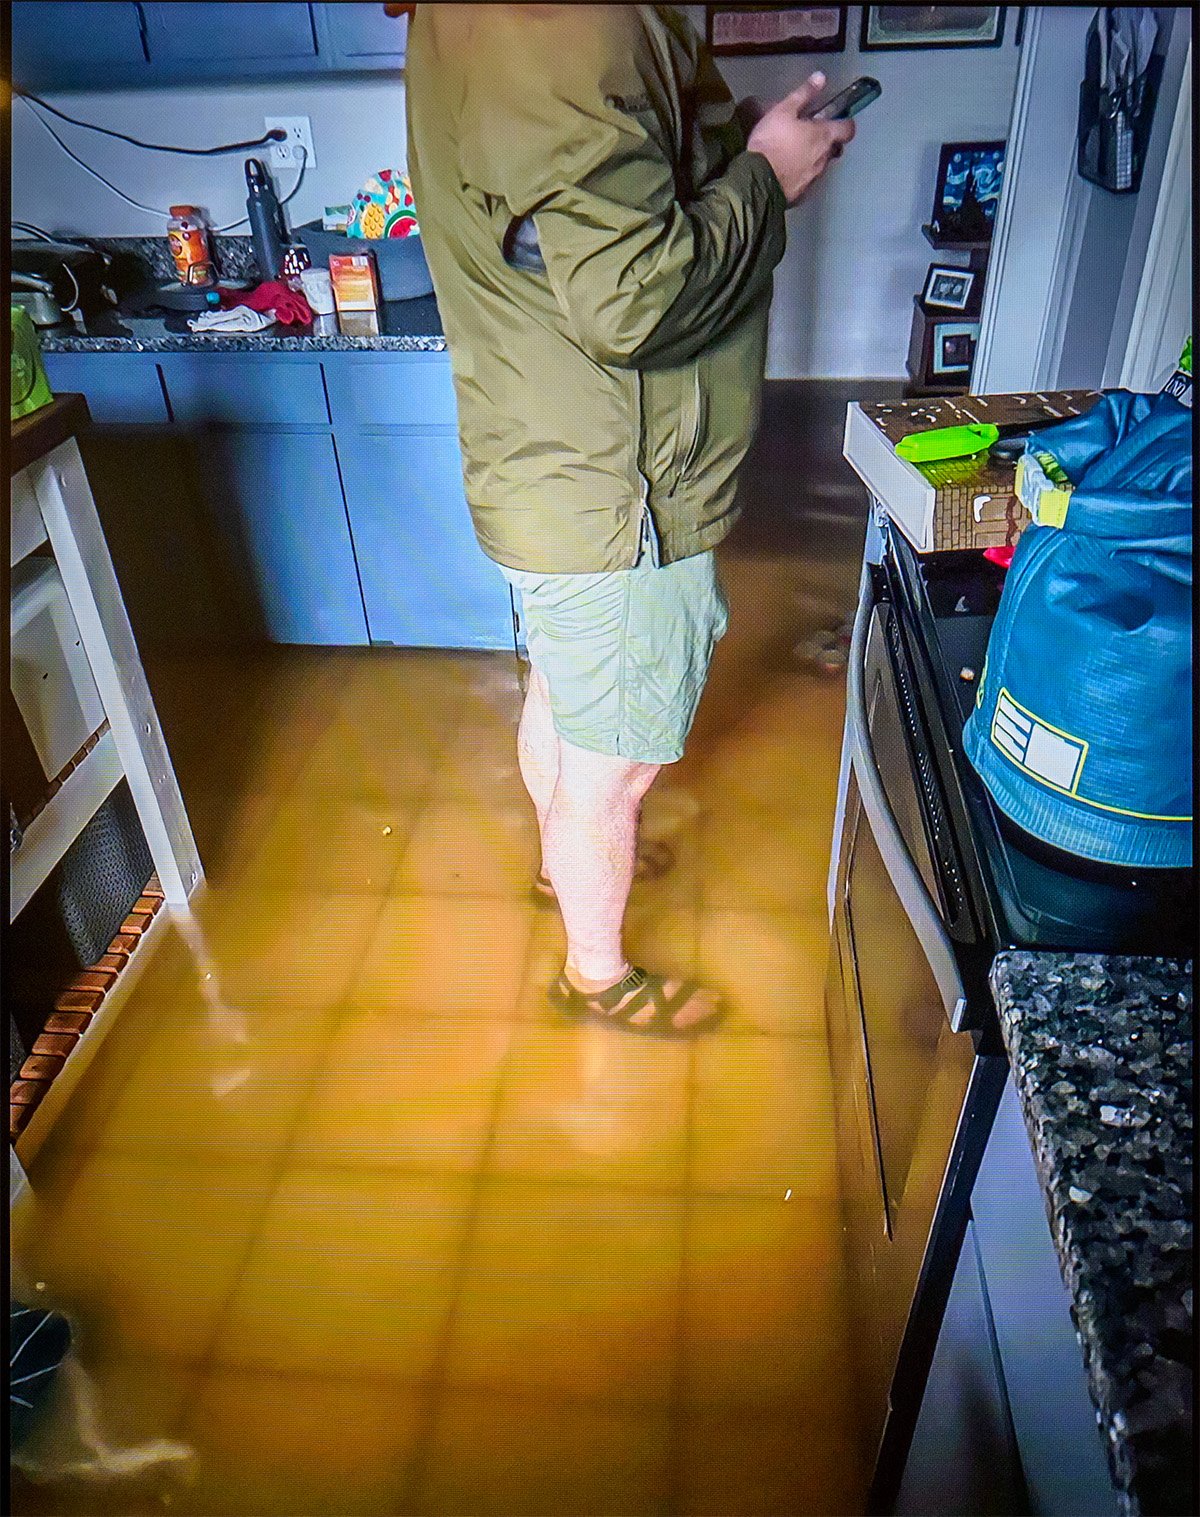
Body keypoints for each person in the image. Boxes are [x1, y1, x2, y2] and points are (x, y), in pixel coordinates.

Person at [406, 4, 854, 1036]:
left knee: (566, 694)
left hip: (553, 469)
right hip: (622, 493)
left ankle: (570, 869)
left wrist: (723, 153)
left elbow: (594, 210)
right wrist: (766, 181)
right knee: (619, 766)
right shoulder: (575, 23)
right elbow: (634, 301)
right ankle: (597, 974)